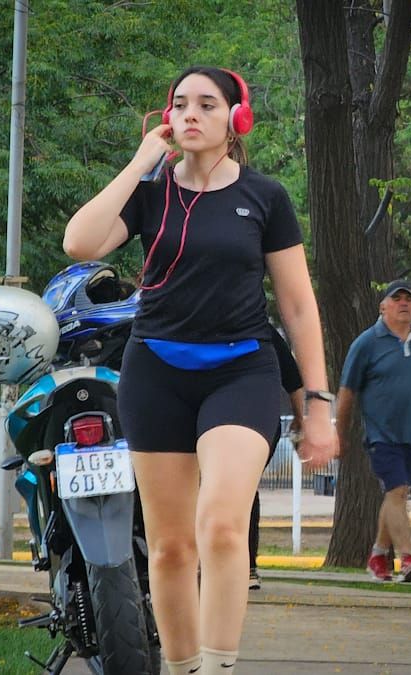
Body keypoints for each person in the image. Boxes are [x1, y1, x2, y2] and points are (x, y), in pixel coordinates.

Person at [63, 66, 337, 675]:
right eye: (179, 104)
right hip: (155, 371)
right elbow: (79, 244)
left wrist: (315, 403)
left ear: (237, 119)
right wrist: (140, 161)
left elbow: (296, 304)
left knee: (217, 525)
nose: (189, 114)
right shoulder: (150, 191)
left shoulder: (264, 197)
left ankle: (218, 667)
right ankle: (182, 666)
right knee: (169, 546)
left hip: (241, 373)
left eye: (207, 105)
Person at [336, 280, 411, 582]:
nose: (404, 303)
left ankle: (378, 555)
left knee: (396, 496)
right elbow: (347, 391)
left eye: (409, 299)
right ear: (383, 306)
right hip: (381, 435)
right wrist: (339, 434)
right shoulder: (366, 343)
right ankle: (407, 557)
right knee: (397, 490)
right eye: (396, 298)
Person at [248, 330, 305, 590]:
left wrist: (302, 420)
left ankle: (247, 565)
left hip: (257, 419)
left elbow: (294, 381)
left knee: (242, 486)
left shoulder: (264, 332)